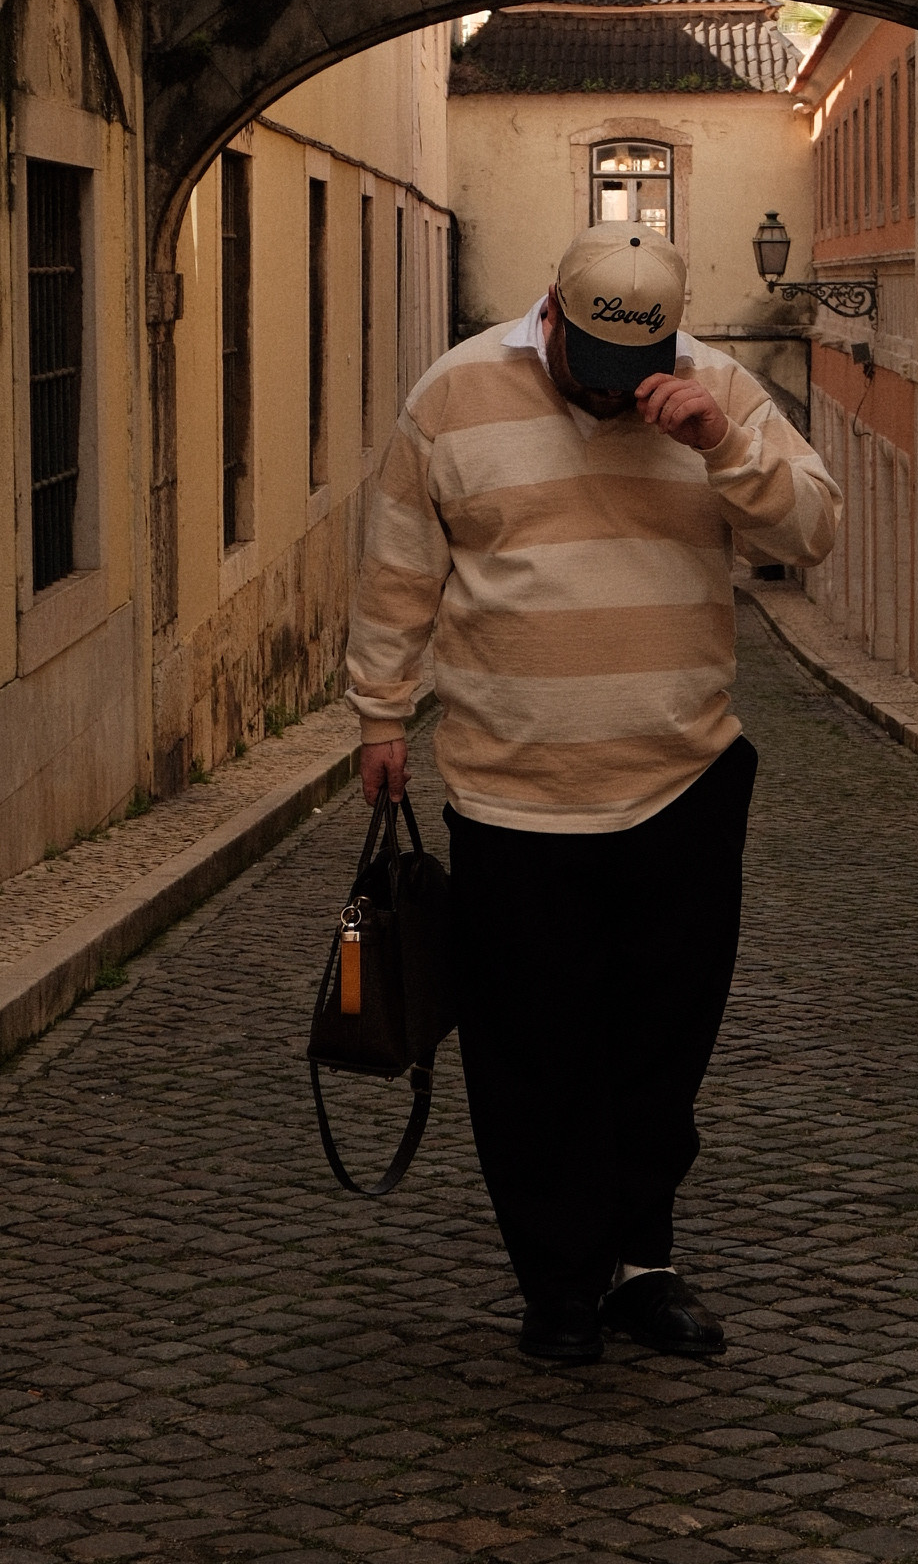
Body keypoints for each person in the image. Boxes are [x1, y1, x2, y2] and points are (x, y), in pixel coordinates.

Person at [346, 221, 841, 1367]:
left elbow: (812, 532)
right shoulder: (454, 394)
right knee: (530, 1056)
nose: (620, 397)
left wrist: (724, 445)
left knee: (660, 1051)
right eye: (595, 371)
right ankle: (556, 1284)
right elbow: (397, 561)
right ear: (551, 314)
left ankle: (639, 1267)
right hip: (511, 794)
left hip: (683, 781)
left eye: (641, 370)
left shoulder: (715, 391)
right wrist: (381, 711)